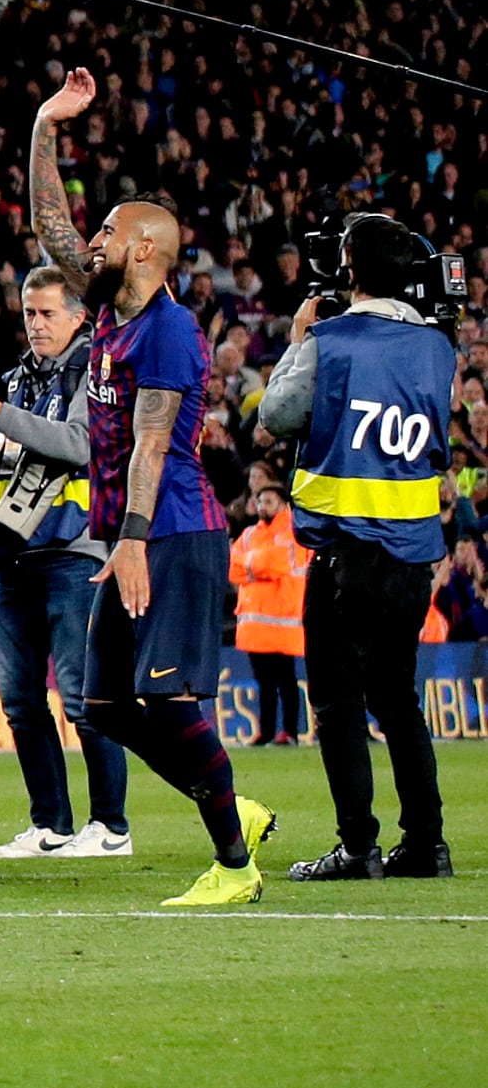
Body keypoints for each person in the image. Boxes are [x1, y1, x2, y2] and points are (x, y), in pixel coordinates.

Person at [29, 69, 273, 906]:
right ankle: (230, 798)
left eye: (107, 230)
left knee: (164, 700)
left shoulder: (168, 330)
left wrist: (128, 539)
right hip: (132, 532)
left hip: (171, 529)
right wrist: (44, 124)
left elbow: (152, 440)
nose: (88, 240)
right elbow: (48, 222)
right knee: (104, 705)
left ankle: (236, 864)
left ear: (143, 246)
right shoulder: (105, 309)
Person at [258, 212, 455, 879]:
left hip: (347, 548)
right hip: (413, 550)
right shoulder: (439, 347)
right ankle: (427, 843)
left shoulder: (332, 339)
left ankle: (358, 846)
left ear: (347, 271)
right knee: (399, 699)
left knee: (338, 701)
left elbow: (276, 414)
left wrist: (297, 338)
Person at [0, 265, 135, 861]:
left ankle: (111, 827)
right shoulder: (12, 381)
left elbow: (81, 444)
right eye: (29, 314)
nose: (35, 324)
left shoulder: (95, 373)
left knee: (82, 698)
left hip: (73, 552)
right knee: (19, 702)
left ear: (79, 316)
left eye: (47, 313)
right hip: (11, 555)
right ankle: (51, 826)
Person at [227, 485, 309, 744]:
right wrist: (258, 565)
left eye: (269, 501)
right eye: (260, 501)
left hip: (284, 622)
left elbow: (278, 563)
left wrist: (250, 565)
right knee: (264, 683)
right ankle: (267, 731)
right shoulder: (251, 534)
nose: (263, 506)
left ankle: (290, 732)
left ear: (284, 504)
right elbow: (232, 568)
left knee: (285, 681)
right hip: (256, 625)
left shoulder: (295, 532)